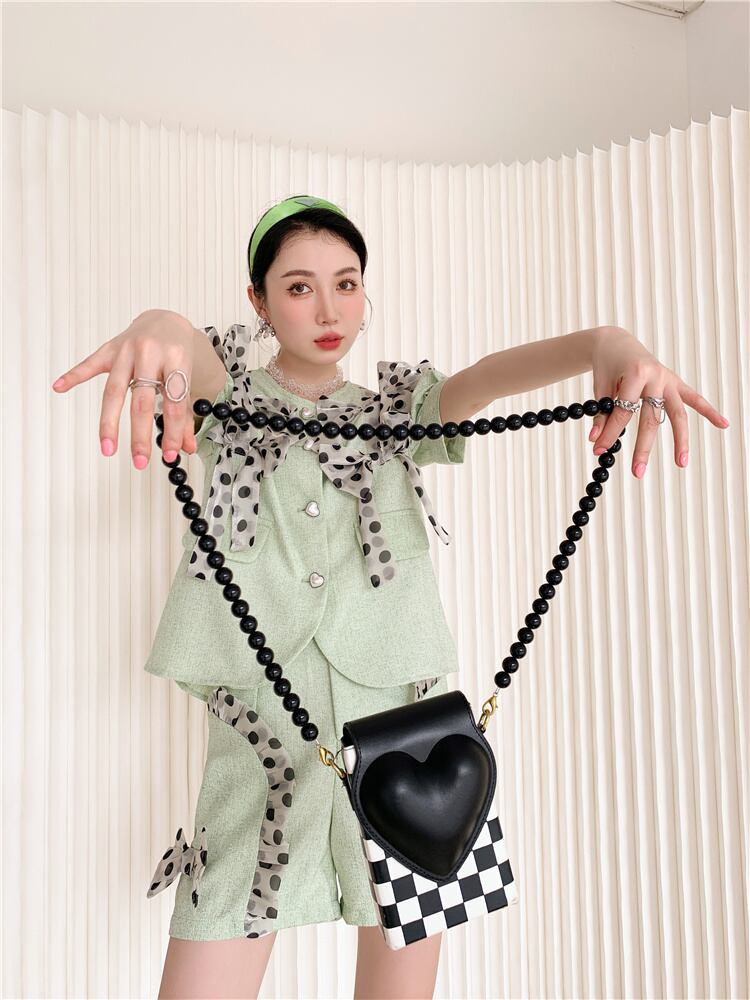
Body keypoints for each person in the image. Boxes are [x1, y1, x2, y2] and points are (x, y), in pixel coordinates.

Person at [51, 195, 729, 1000]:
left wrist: (607, 344)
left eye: (347, 283)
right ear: (257, 300)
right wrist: (157, 324)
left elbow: (484, 381)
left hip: (409, 734)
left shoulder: (397, 412)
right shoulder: (225, 401)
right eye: (298, 287)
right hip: (263, 736)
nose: (329, 310)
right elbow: (185, 354)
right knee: (211, 950)